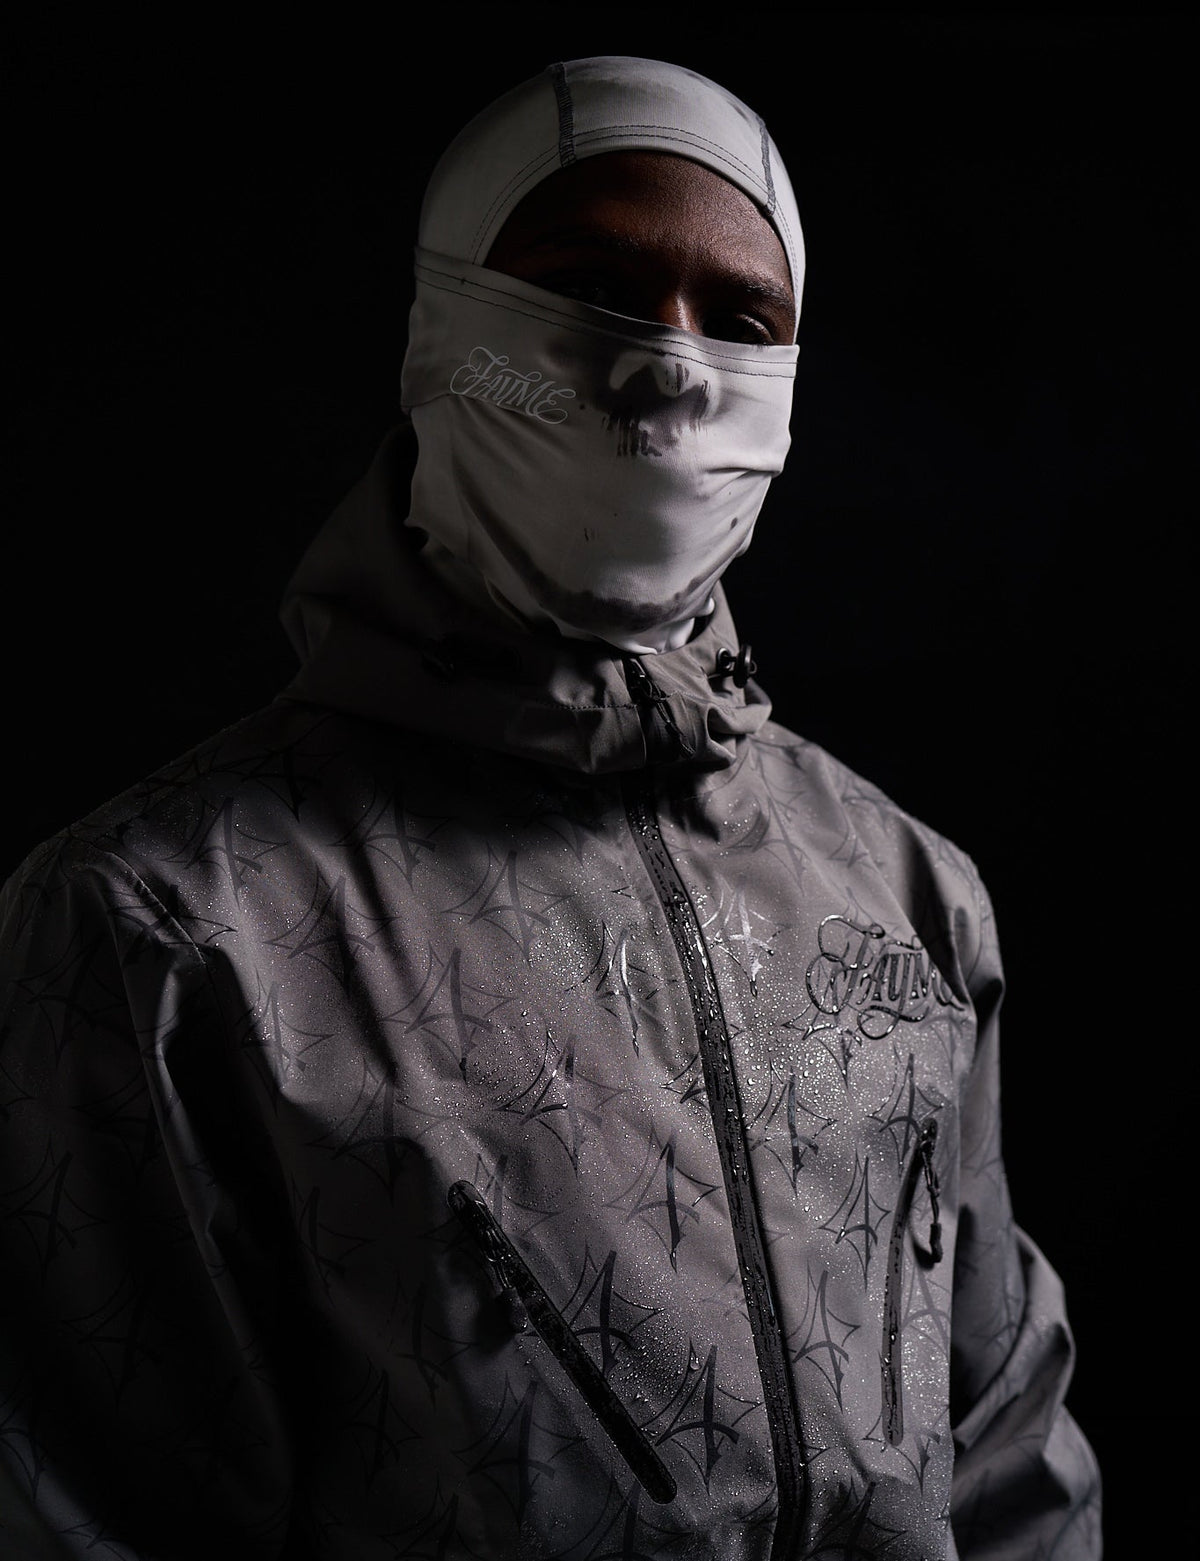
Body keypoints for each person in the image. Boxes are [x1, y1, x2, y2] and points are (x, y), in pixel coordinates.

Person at [0, 56, 1101, 1560]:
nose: (671, 365)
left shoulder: (906, 895)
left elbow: (1011, 1452)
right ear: (439, 334)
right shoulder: (170, 932)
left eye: (741, 319)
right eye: (591, 287)